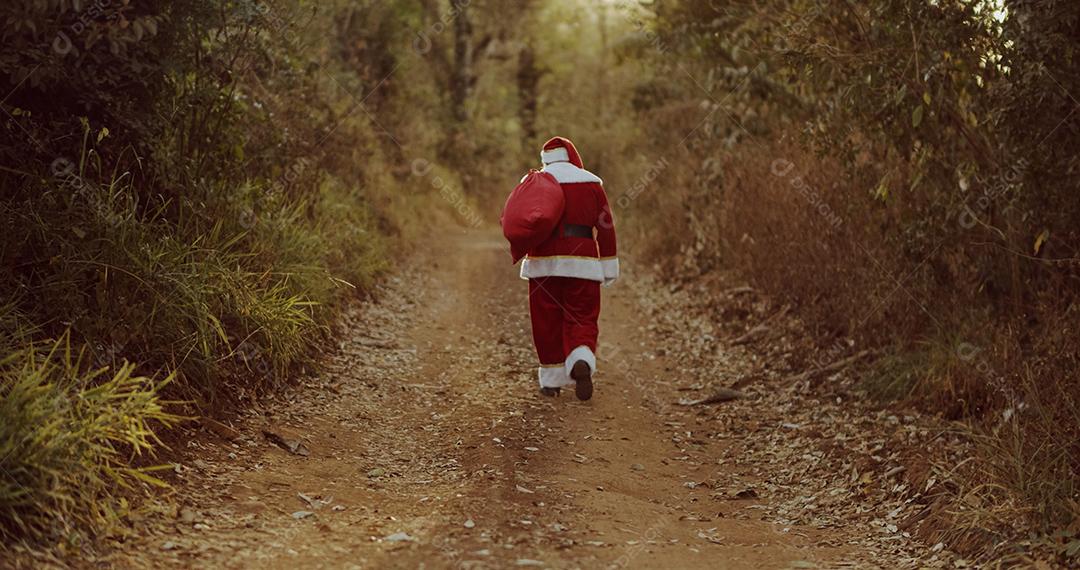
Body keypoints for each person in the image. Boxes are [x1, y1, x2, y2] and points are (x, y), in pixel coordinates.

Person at [520, 137, 618, 400]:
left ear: (545, 159)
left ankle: (551, 381)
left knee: (546, 319)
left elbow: (520, 219)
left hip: (543, 263)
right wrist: (608, 265)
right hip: (583, 262)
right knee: (582, 316)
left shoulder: (533, 182)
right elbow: (606, 227)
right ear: (572, 155)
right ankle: (580, 358)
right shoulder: (591, 183)